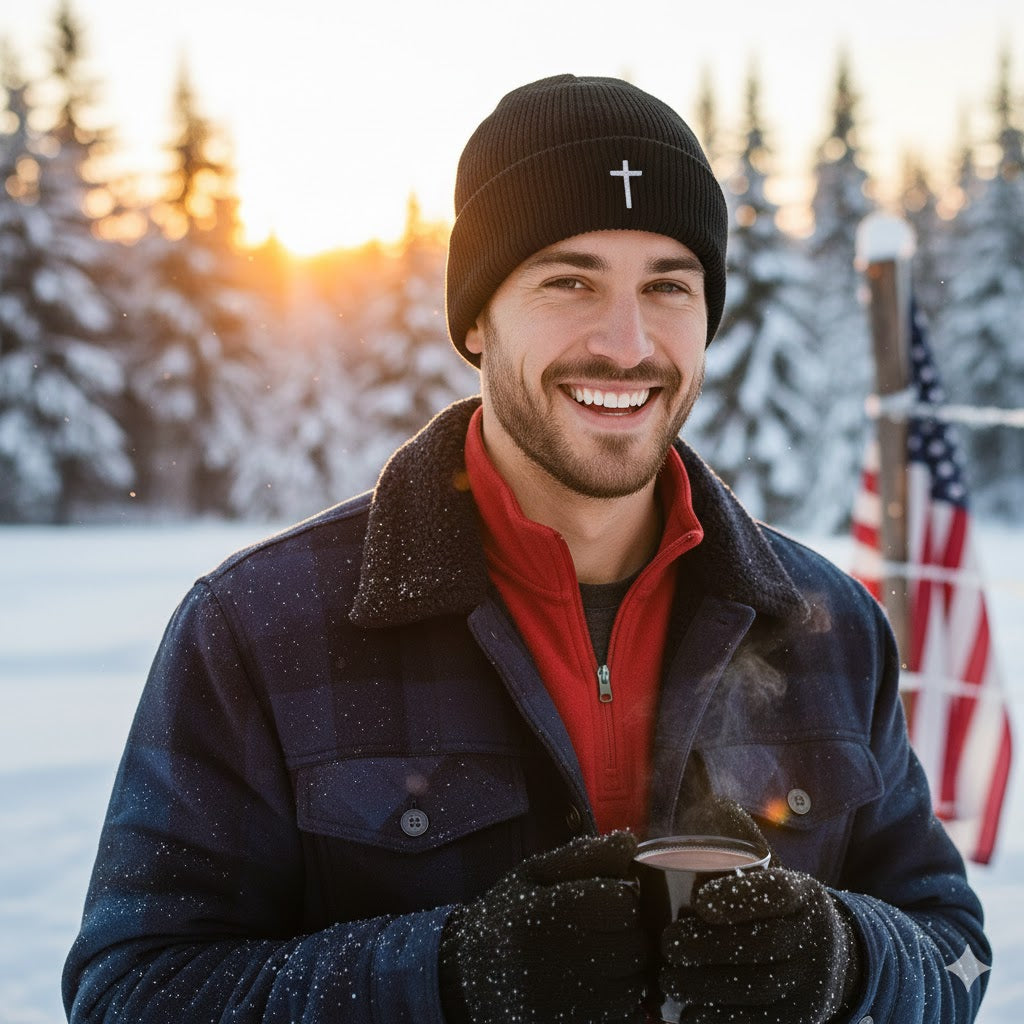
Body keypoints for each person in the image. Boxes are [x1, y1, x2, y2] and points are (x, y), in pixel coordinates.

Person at [63, 74, 989, 1024]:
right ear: (475, 318)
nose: (627, 345)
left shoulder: (826, 626)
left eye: (668, 285)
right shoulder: (264, 627)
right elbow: (132, 992)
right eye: (569, 281)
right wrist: (447, 976)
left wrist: (849, 964)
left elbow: (954, 954)